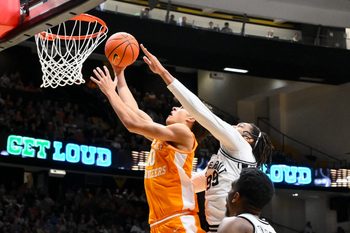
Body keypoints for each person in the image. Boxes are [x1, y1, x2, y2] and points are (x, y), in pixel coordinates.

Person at [140, 44, 274, 232]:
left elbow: (202, 113)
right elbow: (188, 185)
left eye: (240, 126)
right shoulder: (224, 161)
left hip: (239, 226)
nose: (234, 126)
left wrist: (164, 73)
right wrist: (162, 167)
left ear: (249, 139)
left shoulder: (241, 148)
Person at [90, 66, 206, 233]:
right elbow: (134, 111)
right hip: (159, 223)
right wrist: (119, 72)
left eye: (180, 108)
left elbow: (132, 124)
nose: (174, 108)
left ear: (191, 118)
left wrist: (110, 92)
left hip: (178, 221)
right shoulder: (165, 137)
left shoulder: (184, 134)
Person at [217, 167, 276, 233]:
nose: (228, 193)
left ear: (235, 197)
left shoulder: (233, 224)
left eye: (231, 188)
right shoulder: (271, 230)